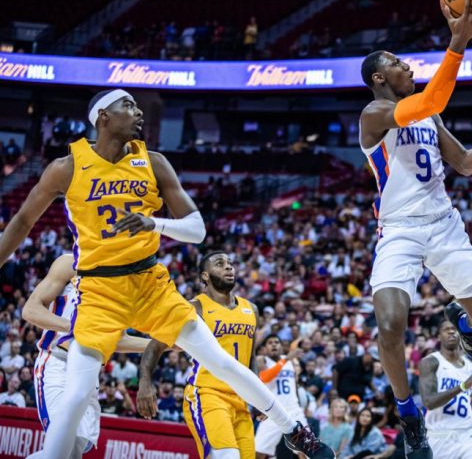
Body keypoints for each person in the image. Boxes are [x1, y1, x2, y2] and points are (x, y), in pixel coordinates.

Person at [0, 89, 332, 459]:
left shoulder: (154, 162)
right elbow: (23, 220)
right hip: (100, 291)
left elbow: (197, 229)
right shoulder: (66, 167)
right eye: (128, 105)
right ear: (103, 117)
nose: (139, 112)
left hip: (150, 284)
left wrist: (154, 223)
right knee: (76, 396)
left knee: (221, 362)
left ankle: (295, 431)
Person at [358, 0, 472, 458]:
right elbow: (428, 101)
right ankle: (408, 414)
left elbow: (464, 163)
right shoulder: (374, 115)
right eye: (398, 64)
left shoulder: (430, 115)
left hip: (444, 223)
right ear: (380, 78)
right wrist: (457, 42)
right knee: (390, 323)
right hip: (400, 229)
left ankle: (461, 319)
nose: (408, 67)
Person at [23, 253, 149, 459]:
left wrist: (164, 345)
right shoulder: (70, 263)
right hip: (57, 363)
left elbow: (118, 340)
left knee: (74, 449)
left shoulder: (122, 282)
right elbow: (30, 310)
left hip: (89, 373)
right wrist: (75, 328)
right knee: (66, 445)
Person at [137, 251, 261, 459]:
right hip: (207, 394)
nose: (228, 267)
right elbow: (155, 346)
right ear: (205, 276)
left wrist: (258, 395)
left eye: (230, 263)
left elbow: (251, 357)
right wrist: (145, 382)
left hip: (241, 400)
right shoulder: (193, 308)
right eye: (220, 264)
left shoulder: (252, 309)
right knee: (227, 456)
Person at [419, 320, 472, 459]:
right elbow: (429, 402)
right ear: (439, 336)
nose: (451, 331)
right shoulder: (431, 362)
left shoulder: (470, 367)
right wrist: (462, 386)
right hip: (440, 435)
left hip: (468, 433)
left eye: (455, 329)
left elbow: (465, 401)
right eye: (447, 329)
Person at [255, 335, 312, 459]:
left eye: (276, 342)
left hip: (293, 410)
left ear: (281, 346)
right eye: (270, 342)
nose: (274, 344)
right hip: (273, 412)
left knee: (306, 451)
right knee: (258, 453)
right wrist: (285, 359)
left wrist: (302, 406)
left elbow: (294, 386)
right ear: (264, 348)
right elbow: (265, 377)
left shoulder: (290, 361)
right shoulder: (262, 360)